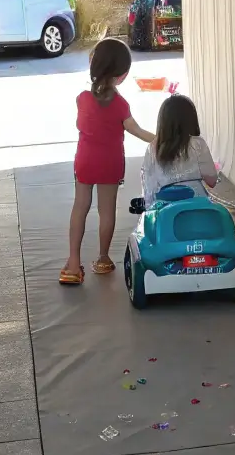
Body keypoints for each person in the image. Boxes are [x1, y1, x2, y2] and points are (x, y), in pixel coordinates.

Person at [60, 38, 155, 284]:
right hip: (110, 165)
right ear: (122, 76)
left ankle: (72, 265)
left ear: (93, 65)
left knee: (79, 207)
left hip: (85, 162)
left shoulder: (82, 99)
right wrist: (162, 139)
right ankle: (103, 259)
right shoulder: (121, 105)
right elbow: (138, 131)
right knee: (107, 211)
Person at [142, 94, 218, 204]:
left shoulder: (152, 148)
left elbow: (149, 190)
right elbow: (212, 180)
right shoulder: (198, 143)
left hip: (165, 208)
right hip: (197, 204)